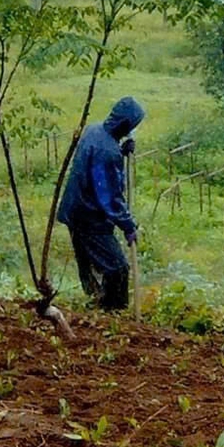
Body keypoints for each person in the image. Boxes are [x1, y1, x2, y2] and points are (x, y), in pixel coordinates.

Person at [56, 96, 144, 312]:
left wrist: (121, 151)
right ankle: (113, 314)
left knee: (92, 266)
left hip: (76, 208)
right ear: (125, 124)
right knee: (117, 268)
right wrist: (128, 226)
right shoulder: (107, 152)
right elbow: (109, 196)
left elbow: (96, 167)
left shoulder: (95, 130)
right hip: (87, 217)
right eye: (132, 125)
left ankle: (95, 308)